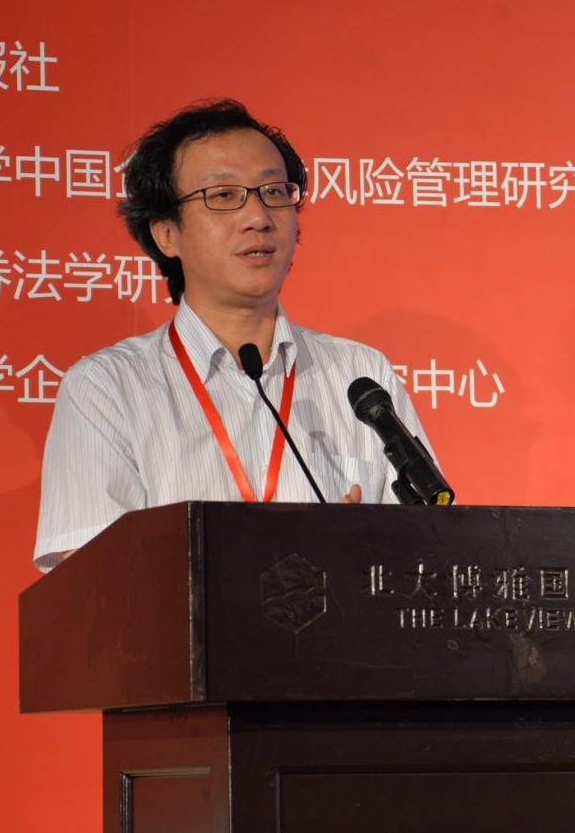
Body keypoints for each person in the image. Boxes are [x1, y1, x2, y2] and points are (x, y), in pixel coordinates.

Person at [34, 99, 436, 571]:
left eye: (274, 191)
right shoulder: (107, 389)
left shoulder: (361, 375)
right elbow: (91, 584)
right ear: (166, 233)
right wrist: (296, 557)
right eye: (223, 195)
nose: (258, 217)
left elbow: (427, 554)